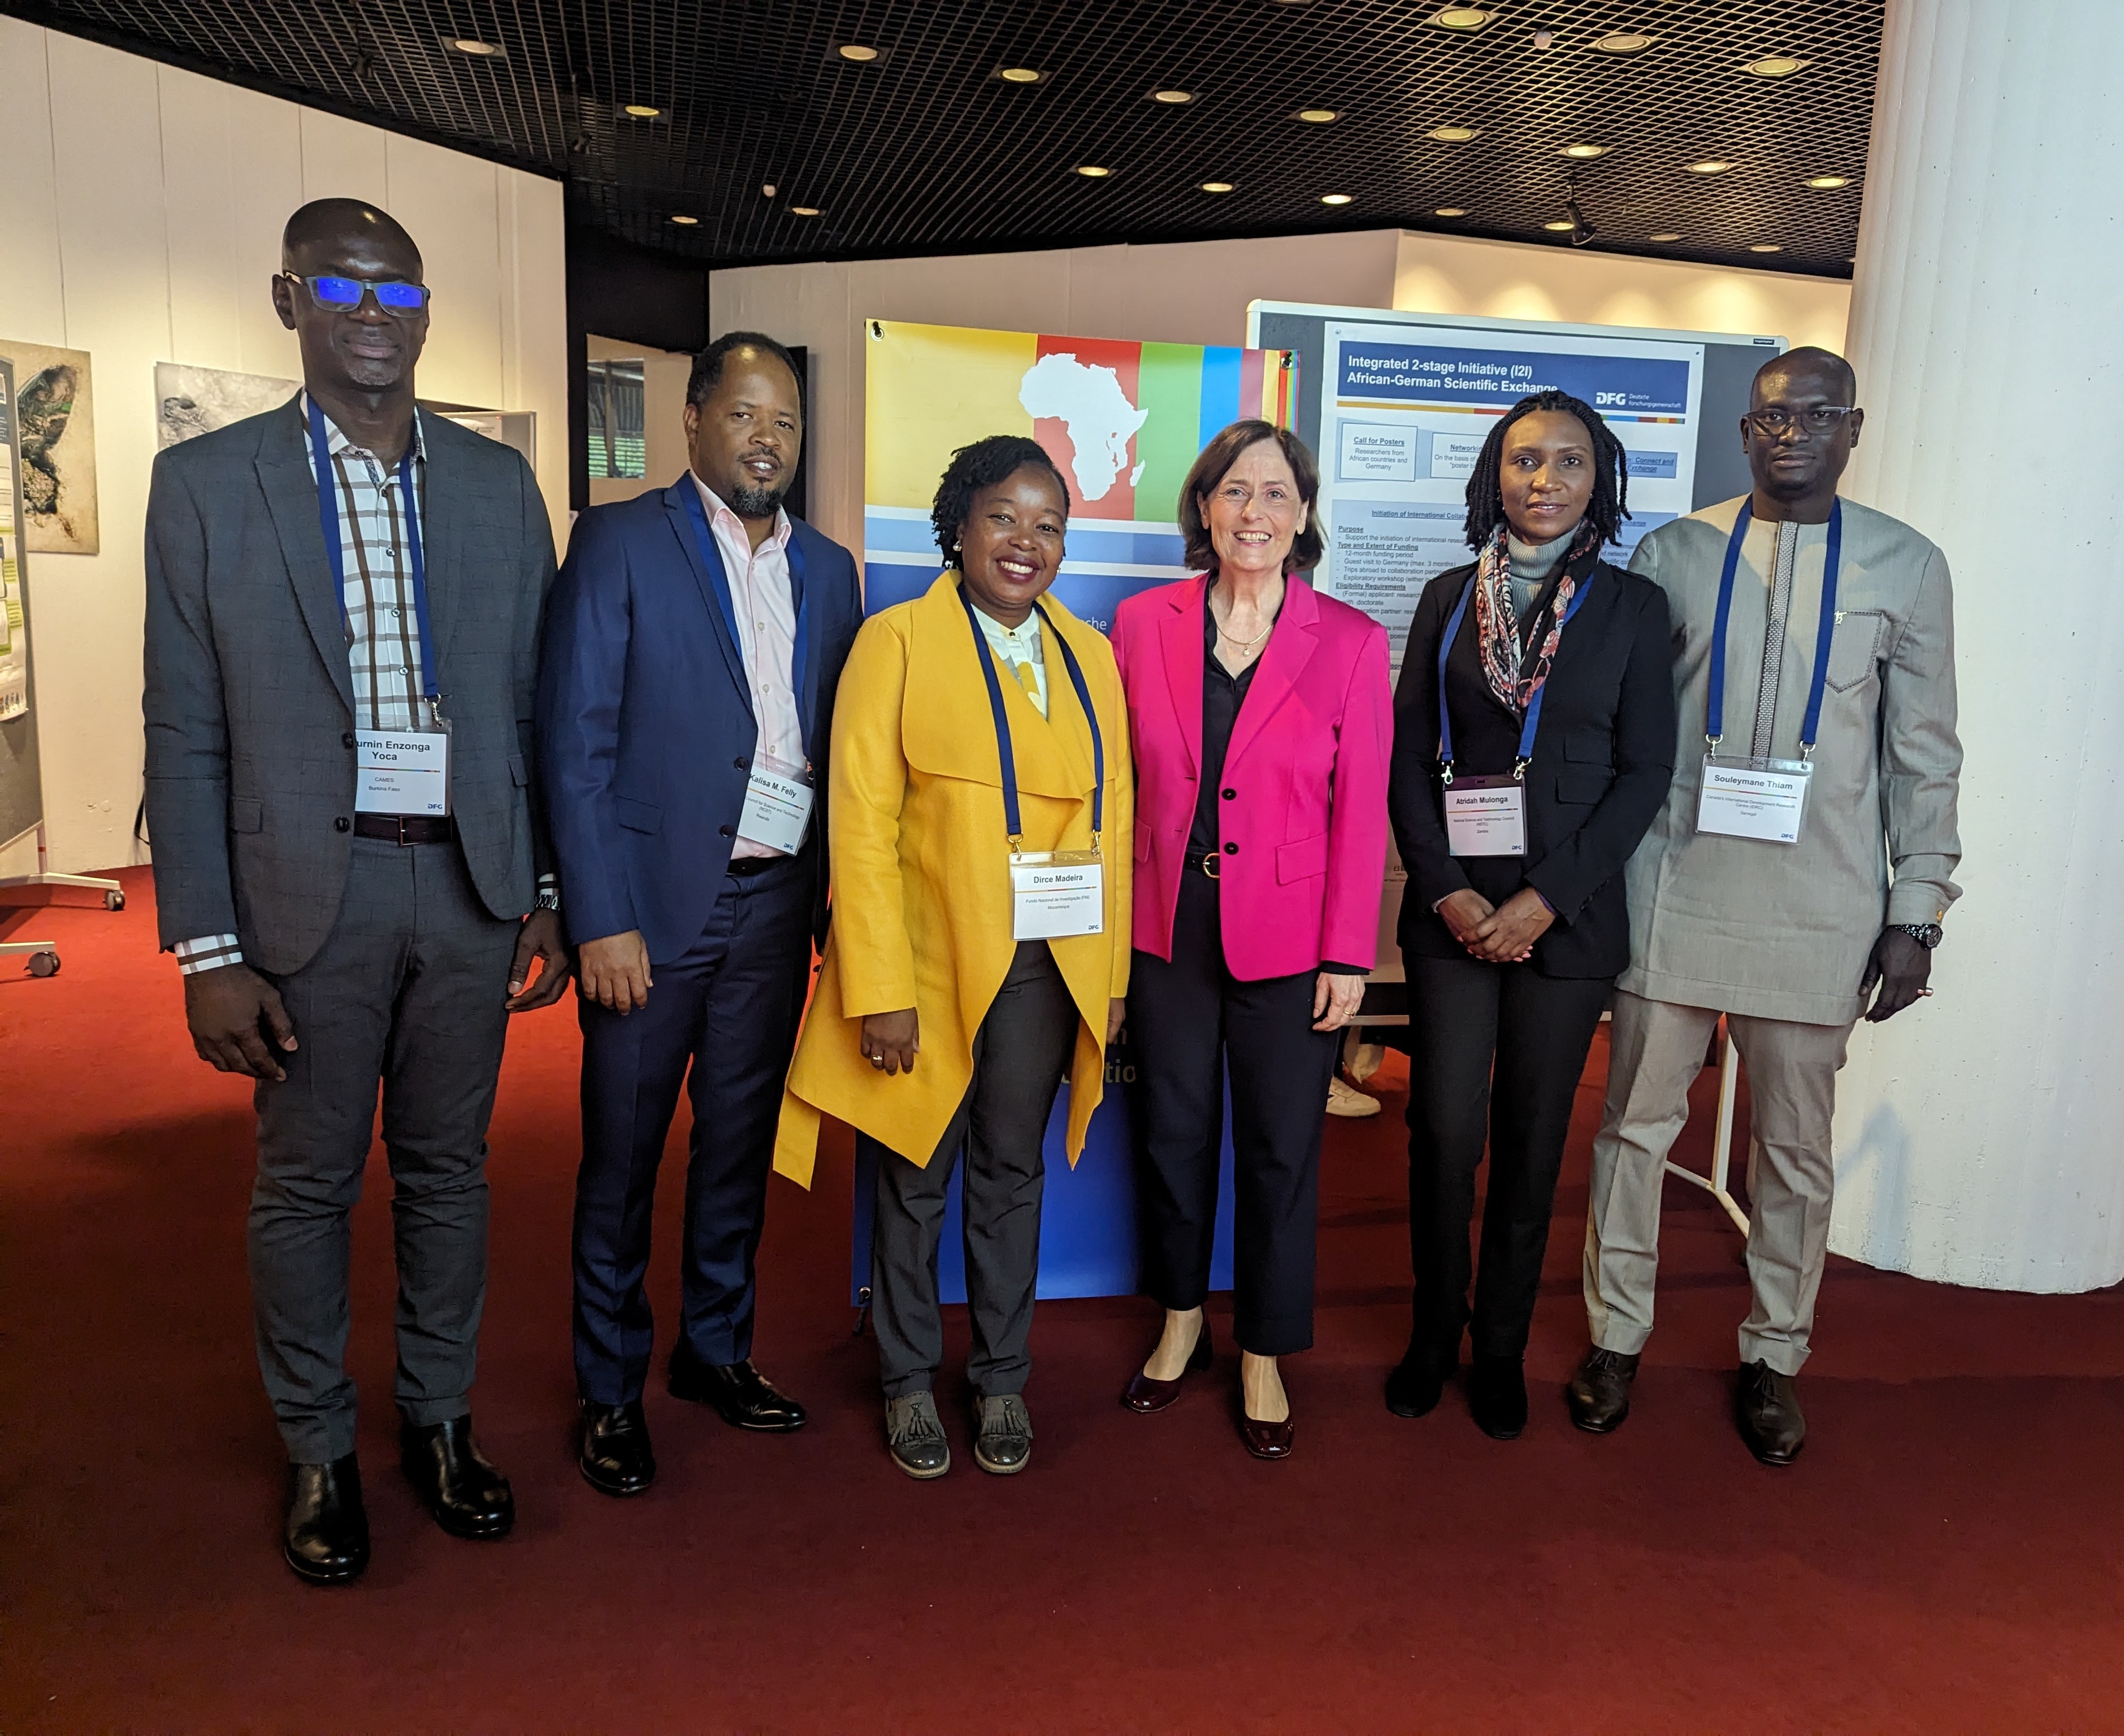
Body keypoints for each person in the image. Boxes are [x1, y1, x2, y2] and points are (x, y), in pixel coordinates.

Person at [144, 199, 570, 1585]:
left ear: (427, 310)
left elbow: (533, 706)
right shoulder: (208, 484)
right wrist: (208, 947)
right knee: (308, 1183)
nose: (372, 312)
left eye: (399, 289)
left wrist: (545, 884)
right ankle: (319, 1447)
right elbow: (183, 729)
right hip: (302, 899)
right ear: (289, 300)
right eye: (340, 286)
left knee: (450, 1174)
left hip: (467, 888)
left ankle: (438, 1422)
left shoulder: (499, 487)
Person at [1572, 347, 1962, 1465]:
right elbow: (1623, 730)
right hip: (1675, 888)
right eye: (1771, 419)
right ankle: (1615, 1336)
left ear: (1853, 428)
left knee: (1793, 1150)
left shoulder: (1906, 565)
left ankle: (1774, 1351)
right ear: (1745, 432)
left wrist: (1916, 909)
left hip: (1821, 903)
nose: (1791, 435)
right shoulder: (1673, 553)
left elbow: (1925, 754)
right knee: (1634, 1131)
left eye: (1817, 416)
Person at [537, 332, 862, 1496]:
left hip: (774, 908)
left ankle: (715, 1349)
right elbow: (572, 741)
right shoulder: (620, 542)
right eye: (743, 414)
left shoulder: (831, 570)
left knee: (736, 1149)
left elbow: (835, 748)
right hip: (649, 914)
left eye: (785, 421)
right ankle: (609, 1389)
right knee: (622, 1158)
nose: (766, 439)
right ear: (690, 419)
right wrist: (597, 916)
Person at [774, 435, 1131, 1480]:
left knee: (1012, 1174)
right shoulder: (894, 642)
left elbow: (1115, 824)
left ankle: (1002, 1376)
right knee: (912, 1177)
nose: (1026, 542)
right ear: (959, 526)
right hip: (926, 974)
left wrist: (1108, 983)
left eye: (1048, 525)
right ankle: (903, 1379)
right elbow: (859, 827)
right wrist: (877, 989)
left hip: (1046, 969)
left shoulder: (1090, 656)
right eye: (1003, 518)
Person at [1383, 390, 1676, 1439]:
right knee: (1442, 1129)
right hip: (1455, 914)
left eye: (1567, 461)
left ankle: (1498, 1347)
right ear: (1492, 478)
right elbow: (1406, 757)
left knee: (1531, 1137)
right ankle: (1434, 1330)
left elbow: (1645, 773)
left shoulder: (1632, 608)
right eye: (1522, 461)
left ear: (1600, 480)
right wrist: (1446, 887)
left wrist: (1545, 899)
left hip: (1566, 919)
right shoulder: (1446, 598)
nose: (1543, 480)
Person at [1111, 420, 1392, 1460]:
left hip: (1292, 937)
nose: (1254, 512)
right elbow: (1115, 789)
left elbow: (1361, 811)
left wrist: (1349, 953)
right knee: (1171, 1134)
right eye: (1235, 491)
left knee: (1281, 1146)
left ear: (1303, 513)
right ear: (1203, 506)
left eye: (1276, 493)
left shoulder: (1350, 642)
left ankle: (1265, 1347)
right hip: (1165, 927)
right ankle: (1181, 1317)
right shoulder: (1140, 624)